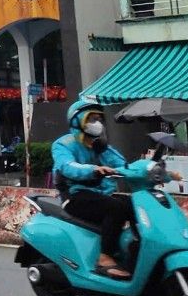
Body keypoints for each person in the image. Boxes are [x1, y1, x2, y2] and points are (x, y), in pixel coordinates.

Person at [52, 98, 131, 278]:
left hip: (100, 195)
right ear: (77, 120)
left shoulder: (99, 145)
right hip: (74, 196)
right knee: (116, 208)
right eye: (92, 119)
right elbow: (67, 166)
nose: (97, 124)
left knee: (133, 205)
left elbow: (124, 165)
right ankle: (104, 257)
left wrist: (153, 170)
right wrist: (93, 169)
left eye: (99, 119)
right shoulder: (63, 144)